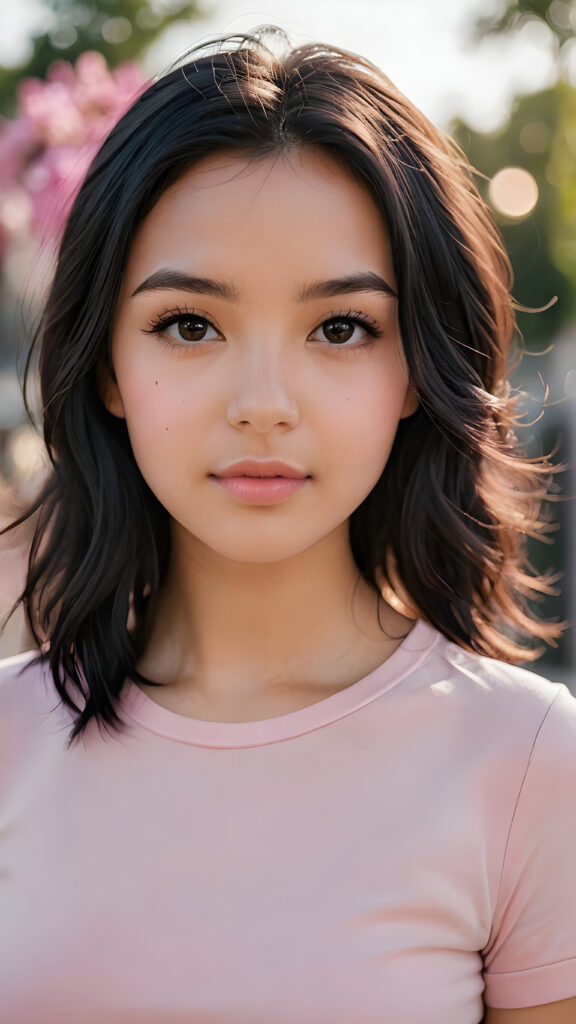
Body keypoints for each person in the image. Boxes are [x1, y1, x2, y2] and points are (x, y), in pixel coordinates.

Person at [0, 25, 574, 1024]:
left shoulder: (529, 765)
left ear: (415, 371)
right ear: (106, 367)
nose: (263, 401)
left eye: (339, 328)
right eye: (191, 324)